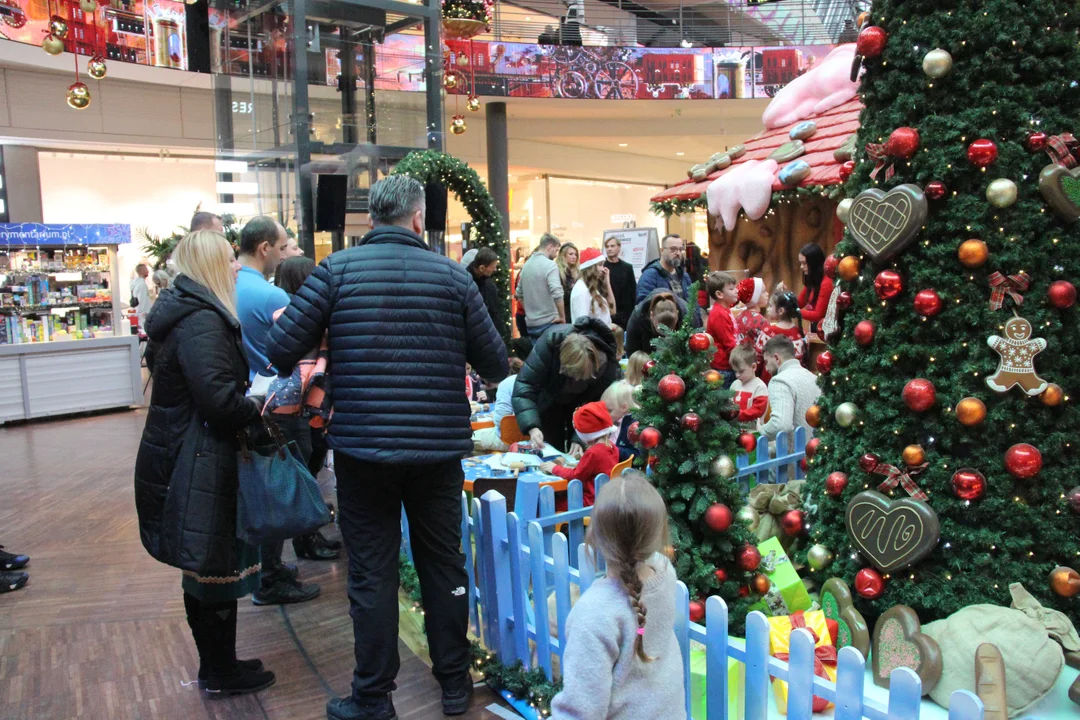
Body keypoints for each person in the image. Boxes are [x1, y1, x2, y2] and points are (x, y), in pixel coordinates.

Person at [265, 174, 508, 720]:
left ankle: (373, 697)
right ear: (419, 219)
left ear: (370, 220)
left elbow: (279, 347)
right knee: (443, 565)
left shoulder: (336, 271)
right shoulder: (453, 277)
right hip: (437, 452)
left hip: (362, 451)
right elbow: (495, 362)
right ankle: (453, 685)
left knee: (371, 573)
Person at [134, 230, 276, 697]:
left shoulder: (187, 315)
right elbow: (217, 399)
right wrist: (254, 405)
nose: (236, 267)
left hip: (186, 453)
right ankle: (218, 670)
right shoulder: (203, 322)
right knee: (212, 565)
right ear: (211, 266)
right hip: (201, 457)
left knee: (205, 566)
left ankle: (220, 663)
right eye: (228, 260)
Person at [549, 471, 684, 720]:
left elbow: (580, 711)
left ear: (595, 536)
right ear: (658, 535)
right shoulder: (665, 571)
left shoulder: (594, 614)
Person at [234, 215, 320, 606]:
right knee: (283, 486)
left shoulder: (233, 285)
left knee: (272, 482)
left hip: (254, 395)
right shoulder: (272, 297)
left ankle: (269, 569)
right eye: (283, 247)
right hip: (278, 398)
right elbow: (297, 347)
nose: (286, 256)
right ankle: (270, 576)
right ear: (265, 248)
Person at [269, 256, 340, 563]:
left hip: (299, 407)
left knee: (306, 472)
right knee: (302, 473)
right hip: (300, 407)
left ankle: (309, 537)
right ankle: (305, 541)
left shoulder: (290, 315)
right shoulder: (298, 317)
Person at [512, 317, 622, 456]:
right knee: (548, 450)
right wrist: (532, 426)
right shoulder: (550, 342)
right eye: (567, 373)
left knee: (579, 455)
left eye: (578, 376)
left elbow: (599, 405)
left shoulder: (607, 368)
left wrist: (581, 437)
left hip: (583, 406)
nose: (573, 379)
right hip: (549, 399)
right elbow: (525, 386)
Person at [541, 401, 620, 510]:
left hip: (590, 502)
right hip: (605, 498)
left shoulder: (594, 453)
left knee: (552, 504)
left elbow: (576, 475)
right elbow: (596, 468)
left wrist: (554, 468)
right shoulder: (612, 447)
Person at [758, 335, 821, 443]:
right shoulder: (814, 378)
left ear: (776, 358)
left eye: (766, 362)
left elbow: (781, 424)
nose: (766, 368)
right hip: (817, 449)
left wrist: (761, 430)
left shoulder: (779, 381)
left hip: (794, 455)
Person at [515, 234, 565, 339]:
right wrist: (562, 316)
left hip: (531, 323)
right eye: (556, 250)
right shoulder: (550, 265)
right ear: (550, 247)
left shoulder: (526, 265)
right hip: (549, 322)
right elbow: (557, 293)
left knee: (537, 353)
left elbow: (518, 293)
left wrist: (530, 311)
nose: (556, 255)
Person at [473, 357, 525, 452]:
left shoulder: (506, 383)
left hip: (509, 438)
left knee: (471, 439)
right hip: (530, 436)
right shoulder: (527, 379)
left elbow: (500, 420)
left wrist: (495, 416)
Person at [755, 291, 807, 382]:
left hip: (769, 384)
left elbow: (757, 360)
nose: (768, 309)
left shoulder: (767, 332)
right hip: (794, 383)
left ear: (781, 311)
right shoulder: (802, 334)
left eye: (770, 306)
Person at [625, 290, 685, 356]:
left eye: (669, 330)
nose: (665, 335)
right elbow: (631, 354)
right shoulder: (637, 319)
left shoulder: (688, 316)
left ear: (677, 315)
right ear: (651, 315)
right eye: (660, 329)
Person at [705, 271, 739, 387]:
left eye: (735, 288)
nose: (736, 291)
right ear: (719, 294)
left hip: (728, 364)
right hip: (724, 368)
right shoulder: (719, 314)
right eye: (731, 289)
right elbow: (729, 343)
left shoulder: (725, 310)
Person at [635, 234, 691, 305]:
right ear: (662, 250)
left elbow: (694, 304)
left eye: (680, 249)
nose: (678, 253)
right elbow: (643, 306)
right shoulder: (650, 276)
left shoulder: (684, 276)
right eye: (673, 249)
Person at [570, 247, 615, 326]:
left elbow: (613, 310)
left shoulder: (591, 288)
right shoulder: (581, 290)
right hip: (593, 337)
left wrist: (607, 282)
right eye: (600, 265)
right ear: (591, 267)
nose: (603, 269)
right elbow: (582, 325)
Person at [793, 243, 832, 334]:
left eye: (804, 263)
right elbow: (799, 303)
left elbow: (818, 315)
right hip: (816, 328)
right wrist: (786, 296)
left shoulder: (826, 283)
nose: (801, 267)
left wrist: (795, 311)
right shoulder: (813, 280)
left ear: (814, 263)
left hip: (826, 332)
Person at [464, 246, 503, 331]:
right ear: (482, 268)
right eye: (493, 267)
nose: (495, 269)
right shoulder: (467, 284)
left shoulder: (487, 282)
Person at [603, 235, 637, 331]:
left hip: (626, 314)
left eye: (612, 246)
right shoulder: (602, 268)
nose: (609, 249)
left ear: (619, 247)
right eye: (607, 246)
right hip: (608, 313)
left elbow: (633, 291)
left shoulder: (627, 268)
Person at [729, 344, 768, 426]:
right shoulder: (735, 384)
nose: (737, 375)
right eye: (735, 371)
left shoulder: (759, 386)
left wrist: (737, 415)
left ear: (753, 367)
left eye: (741, 371)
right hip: (734, 429)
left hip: (752, 432)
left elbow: (758, 410)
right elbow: (728, 404)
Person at [735, 277, 769, 349]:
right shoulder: (762, 321)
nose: (767, 294)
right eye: (764, 291)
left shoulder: (738, 316)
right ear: (755, 297)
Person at [556, 243, 580, 322]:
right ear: (563, 256)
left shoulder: (577, 272)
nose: (574, 257)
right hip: (563, 312)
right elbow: (558, 295)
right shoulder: (558, 272)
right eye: (571, 254)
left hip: (575, 310)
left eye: (575, 254)